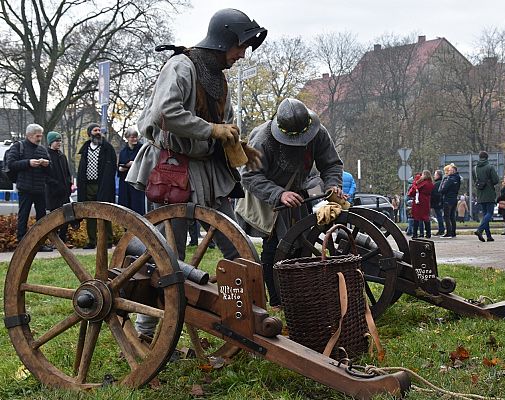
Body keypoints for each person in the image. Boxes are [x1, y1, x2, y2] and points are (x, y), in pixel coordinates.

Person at [125, 8, 266, 336]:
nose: (242, 55)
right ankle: (148, 328)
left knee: (236, 246)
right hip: (172, 167)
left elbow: (223, 124)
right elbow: (166, 113)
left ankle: (243, 313)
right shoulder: (181, 66)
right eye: (239, 47)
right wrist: (212, 131)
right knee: (167, 255)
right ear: (224, 41)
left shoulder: (220, 79)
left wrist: (235, 143)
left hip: (208, 171)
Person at [236, 98, 344, 310]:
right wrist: (279, 194)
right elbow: (249, 177)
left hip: (299, 190)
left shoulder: (319, 133)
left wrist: (333, 186)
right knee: (273, 247)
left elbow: (331, 164)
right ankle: (277, 300)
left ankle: (297, 294)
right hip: (267, 193)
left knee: (299, 243)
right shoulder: (262, 139)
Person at [5, 123, 52, 251]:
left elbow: (50, 171)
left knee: (42, 217)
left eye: (41, 136)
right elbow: (11, 164)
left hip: (40, 189)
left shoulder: (42, 149)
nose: (39, 138)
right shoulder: (18, 147)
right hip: (25, 188)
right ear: (29, 135)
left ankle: (40, 243)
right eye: (38, 136)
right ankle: (22, 244)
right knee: (23, 216)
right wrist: (28, 163)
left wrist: (47, 164)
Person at [77, 123, 117, 249]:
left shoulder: (107, 148)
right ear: (90, 133)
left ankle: (108, 240)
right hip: (88, 185)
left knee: (105, 212)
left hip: (102, 185)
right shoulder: (85, 149)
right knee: (90, 213)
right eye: (95, 130)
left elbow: (111, 168)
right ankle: (92, 240)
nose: (98, 132)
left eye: (99, 130)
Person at [45, 131, 74, 247]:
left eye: (60, 141)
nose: (59, 143)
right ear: (51, 142)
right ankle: (54, 242)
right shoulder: (46, 155)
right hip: (53, 193)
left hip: (64, 192)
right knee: (54, 218)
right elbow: (46, 176)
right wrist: (56, 185)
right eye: (57, 141)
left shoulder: (62, 156)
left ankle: (62, 239)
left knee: (66, 216)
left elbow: (67, 173)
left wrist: (69, 183)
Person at [117, 127, 145, 215]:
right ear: (127, 138)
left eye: (136, 137)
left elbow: (144, 163)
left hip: (137, 182)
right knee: (126, 207)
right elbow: (120, 166)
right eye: (132, 137)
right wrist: (121, 168)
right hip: (125, 182)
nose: (135, 139)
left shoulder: (141, 148)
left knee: (138, 206)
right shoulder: (123, 151)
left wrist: (133, 164)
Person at [473, 151, 499, 242]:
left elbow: (474, 180)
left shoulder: (475, 168)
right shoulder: (490, 167)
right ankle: (480, 230)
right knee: (489, 213)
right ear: (487, 157)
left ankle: (488, 236)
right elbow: (496, 180)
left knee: (485, 215)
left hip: (480, 193)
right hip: (489, 193)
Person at [407, 170, 434, 238]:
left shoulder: (422, 183)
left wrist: (415, 183)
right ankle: (428, 233)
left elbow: (414, 190)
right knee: (426, 217)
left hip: (419, 201)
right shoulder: (430, 183)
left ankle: (415, 233)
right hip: (426, 201)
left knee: (416, 217)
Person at [439, 163, 461, 238]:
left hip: (448, 199)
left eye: (450, 170)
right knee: (452, 216)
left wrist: (443, 181)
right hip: (454, 199)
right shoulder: (458, 178)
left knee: (447, 216)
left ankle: (448, 232)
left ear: (453, 171)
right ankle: (453, 232)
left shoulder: (450, 179)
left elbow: (442, 189)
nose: (448, 171)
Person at [431, 169, 445, 235]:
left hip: (437, 202)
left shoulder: (436, 184)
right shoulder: (442, 182)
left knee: (439, 216)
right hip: (440, 202)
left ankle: (441, 229)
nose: (434, 176)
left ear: (438, 176)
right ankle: (441, 229)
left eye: (435, 175)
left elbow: (435, 194)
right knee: (440, 216)